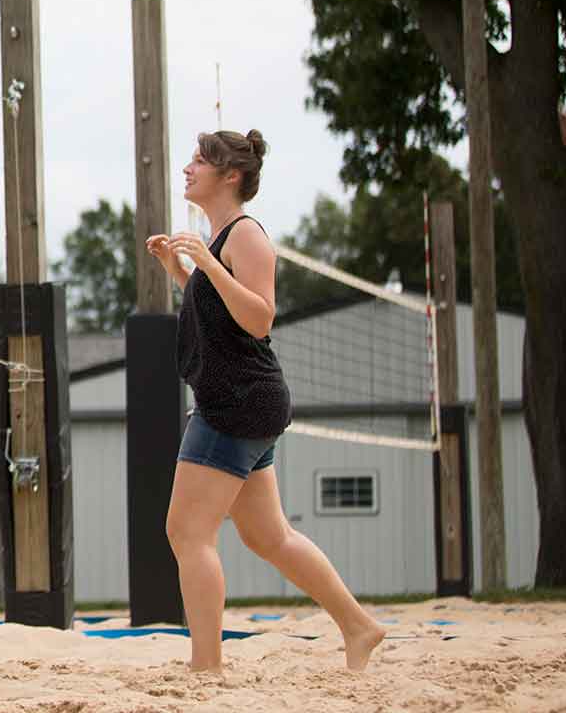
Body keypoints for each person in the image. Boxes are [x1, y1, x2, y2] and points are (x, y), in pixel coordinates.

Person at [146, 129, 386, 673]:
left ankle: (205, 667)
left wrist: (206, 266)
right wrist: (181, 271)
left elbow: (258, 318)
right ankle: (359, 626)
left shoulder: (245, 235)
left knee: (187, 532)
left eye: (198, 162)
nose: (187, 169)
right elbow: (220, 316)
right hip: (241, 398)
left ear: (230, 176)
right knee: (268, 536)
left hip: (238, 402)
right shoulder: (218, 238)